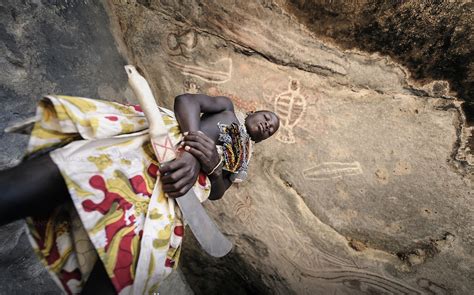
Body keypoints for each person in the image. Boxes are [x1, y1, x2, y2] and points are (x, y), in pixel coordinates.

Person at [0, 93, 279, 294]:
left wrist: (214, 168)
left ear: (264, 139)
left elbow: (219, 192)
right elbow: (186, 101)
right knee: (76, 172)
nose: (267, 124)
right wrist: (192, 150)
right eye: (268, 117)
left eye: (271, 130)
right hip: (151, 149)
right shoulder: (227, 109)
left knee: (136, 262)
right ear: (253, 110)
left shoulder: (241, 161)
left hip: (173, 193)